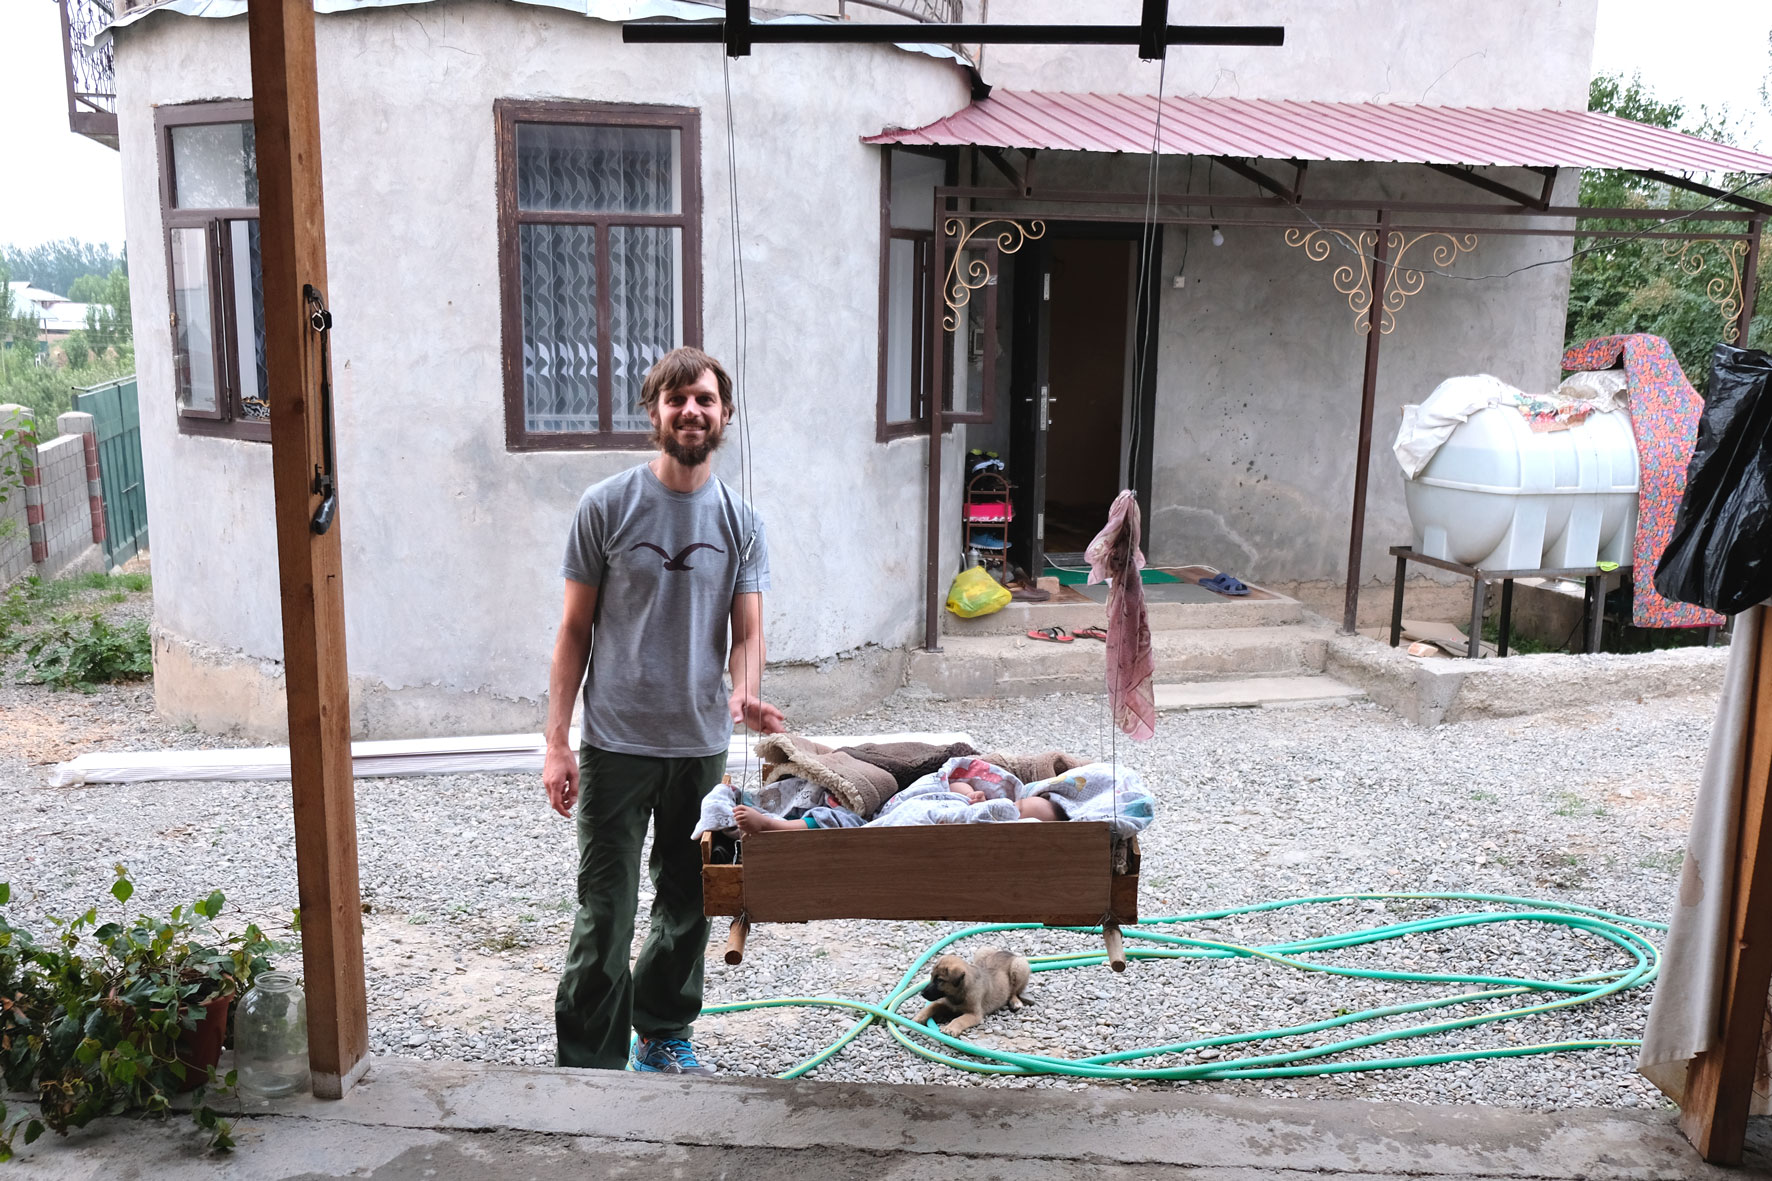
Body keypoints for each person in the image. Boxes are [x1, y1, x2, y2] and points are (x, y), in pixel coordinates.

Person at [543, 345, 783, 1076]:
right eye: (676, 399)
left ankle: (664, 1032)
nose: (691, 411)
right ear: (654, 412)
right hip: (616, 744)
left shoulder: (742, 521)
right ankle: (588, 1061)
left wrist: (743, 690)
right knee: (605, 911)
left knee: (690, 900)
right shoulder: (606, 506)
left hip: (699, 744)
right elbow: (573, 630)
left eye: (704, 399)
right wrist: (558, 743)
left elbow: (748, 632)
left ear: (724, 414)